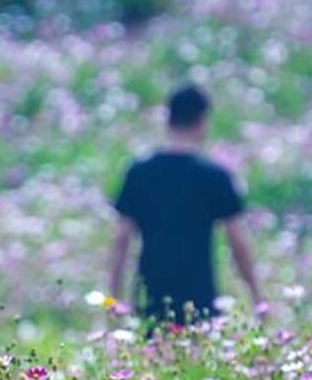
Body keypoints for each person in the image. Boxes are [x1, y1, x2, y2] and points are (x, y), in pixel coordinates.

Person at [109, 84, 262, 326]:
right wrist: (257, 298)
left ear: (167, 119)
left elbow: (121, 240)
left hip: (151, 294)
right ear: (202, 121)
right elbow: (238, 244)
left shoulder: (139, 173)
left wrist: (112, 300)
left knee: (151, 357)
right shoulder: (215, 176)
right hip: (199, 297)